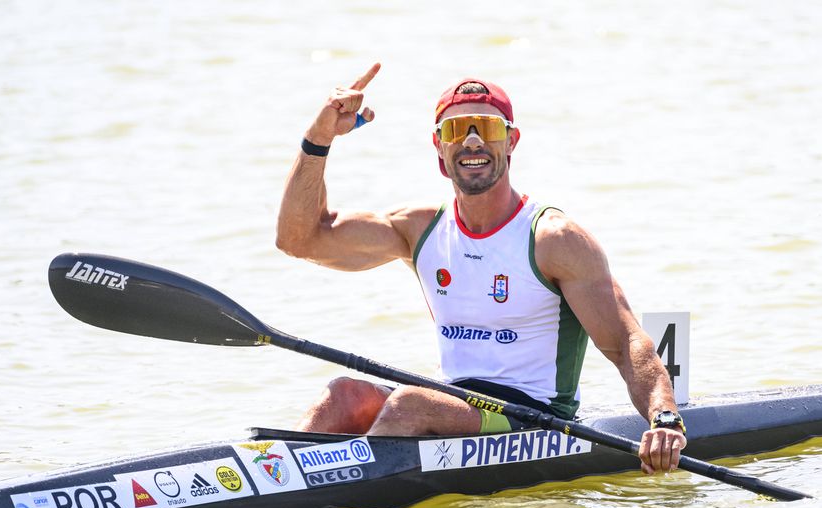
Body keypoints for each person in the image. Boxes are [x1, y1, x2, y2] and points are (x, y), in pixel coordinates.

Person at [276, 62, 687, 474]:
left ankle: (349, 502)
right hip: (451, 401)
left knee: (410, 404)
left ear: (511, 141)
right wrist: (318, 138)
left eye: (486, 129)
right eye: (456, 131)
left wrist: (664, 417)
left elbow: (626, 341)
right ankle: (272, 475)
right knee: (343, 394)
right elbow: (299, 239)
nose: (472, 142)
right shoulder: (418, 229)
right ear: (439, 148)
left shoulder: (554, 240)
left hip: (531, 416)